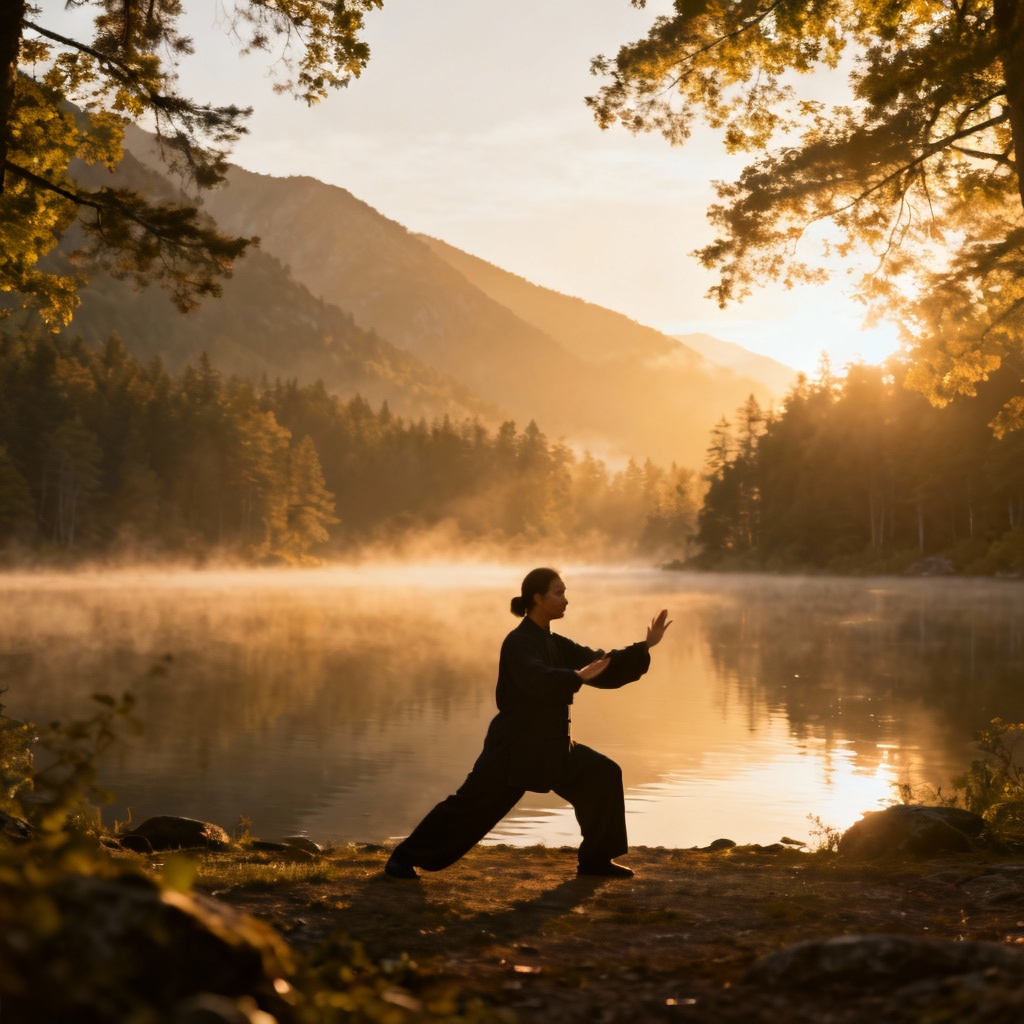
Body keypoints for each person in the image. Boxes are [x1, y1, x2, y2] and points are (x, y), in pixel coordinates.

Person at [385, 567, 671, 880]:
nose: (565, 600)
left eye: (564, 593)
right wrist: (574, 677)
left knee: (602, 776)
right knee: (470, 806)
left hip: (553, 745)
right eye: (558, 593)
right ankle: (404, 857)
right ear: (537, 598)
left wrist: (643, 648)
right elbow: (535, 679)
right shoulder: (518, 642)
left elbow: (599, 662)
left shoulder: (557, 644)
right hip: (514, 748)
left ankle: (595, 861)